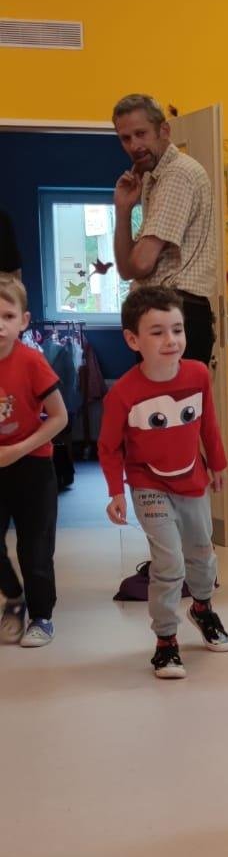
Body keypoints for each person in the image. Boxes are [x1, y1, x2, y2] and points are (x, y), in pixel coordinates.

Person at [99, 286, 228, 678]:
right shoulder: (123, 394)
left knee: (202, 554)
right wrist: (115, 491)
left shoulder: (197, 374)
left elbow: (208, 424)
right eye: (157, 332)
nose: (171, 340)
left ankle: (202, 608)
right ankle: (166, 640)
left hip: (192, 481)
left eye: (177, 329)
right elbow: (109, 447)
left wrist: (218, 464)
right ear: (133, 340)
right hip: (148, 485)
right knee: (169, 561)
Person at [112, 94, 216, 366]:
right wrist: (123, 209)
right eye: (125, 138)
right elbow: (126, 270)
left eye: (141, 134)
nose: (134, 146)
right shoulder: (152, 178)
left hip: (178, 312)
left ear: (164, 131)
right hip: (165, 310)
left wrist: (136, 265)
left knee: (171, 394)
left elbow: (141, 264)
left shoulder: (177, 174)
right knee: (158, 395)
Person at [0, 277, 68, 647]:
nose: (0, 325)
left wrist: (19, 449)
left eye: (7, 316)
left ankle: (42, 616)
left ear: (23, 321)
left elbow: (59, 417)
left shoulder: (31, 361)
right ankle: (14, 598)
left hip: (33, 468)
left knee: (35, 548)